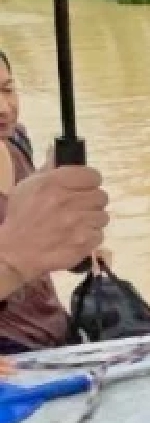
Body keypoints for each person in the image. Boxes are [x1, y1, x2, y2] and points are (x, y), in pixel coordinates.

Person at [0, 52, 108, 354]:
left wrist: (72, 247)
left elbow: (37, 239)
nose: (3, 108)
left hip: (56, 332)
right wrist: (13, 257)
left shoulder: (16, 141)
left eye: (7, 89)